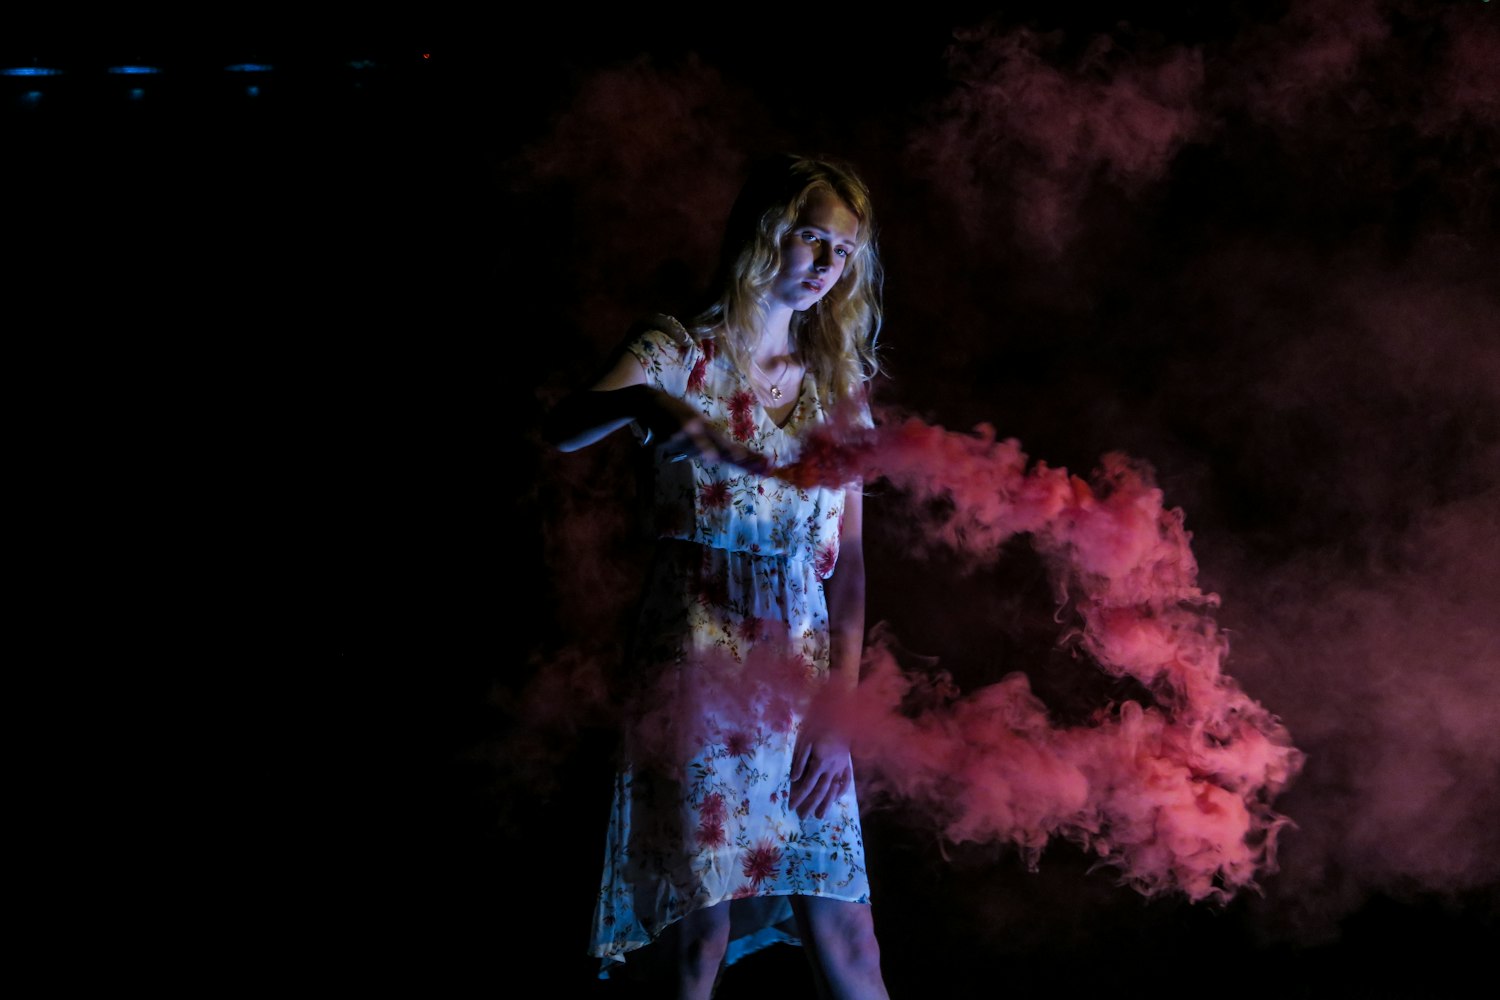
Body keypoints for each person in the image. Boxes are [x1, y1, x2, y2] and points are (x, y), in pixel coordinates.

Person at [544, 153, 891, 999]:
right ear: (766, 232)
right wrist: (642, 402)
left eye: (843, 252)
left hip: (804, 677)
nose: (826, 265)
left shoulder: (841, 386)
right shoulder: (678, 351)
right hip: (699, 665)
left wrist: (839, 713)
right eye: (812, 239)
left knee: (847, 933)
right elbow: (564, 426)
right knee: (698, 934)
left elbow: (848, 569)